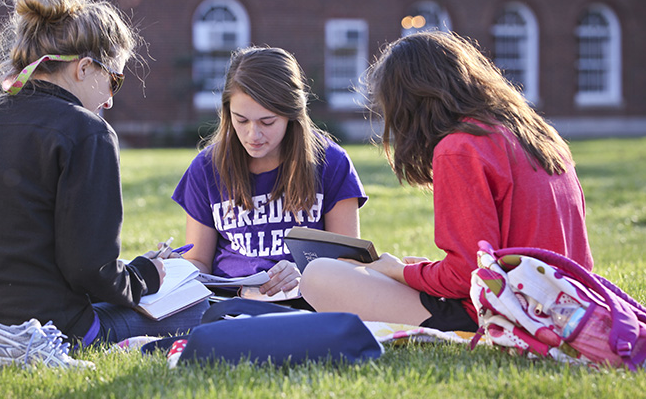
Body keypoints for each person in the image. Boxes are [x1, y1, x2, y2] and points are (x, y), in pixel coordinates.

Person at [0, 0, 208, 353]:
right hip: (36, 327)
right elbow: (87, 269)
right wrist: (144, 276)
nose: (111, 101)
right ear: (84, 68)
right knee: (201, 306)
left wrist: (128, 273)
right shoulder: (88, 132)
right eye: (114, 80)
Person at [299, 31, 593, 332]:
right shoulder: (538, 134)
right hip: (567, 304)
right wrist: (420, 272)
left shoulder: (461, 148)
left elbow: (467, 277)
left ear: (409, 103)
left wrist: (400, 271)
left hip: (506, 312)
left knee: (320, 274)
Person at [172, 46, 367, 297]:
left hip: (307, 304)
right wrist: (173, 270)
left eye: (267, 122)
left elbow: (350, 265)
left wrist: (305, 273)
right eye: (240, 120)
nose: (253, 135)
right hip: (228, 306)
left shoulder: (331, 163)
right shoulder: (207, 167)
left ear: (291, 114)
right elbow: (199, 261)